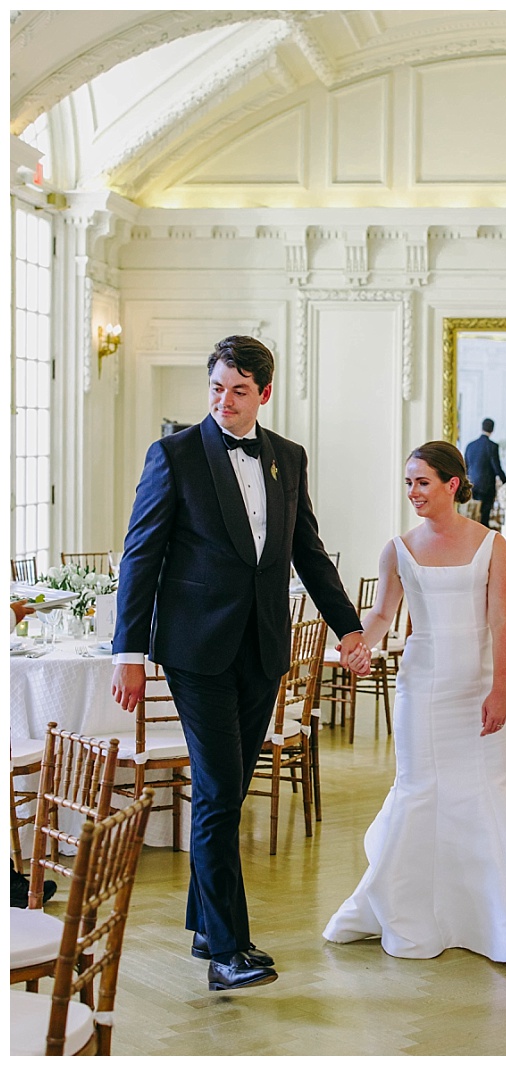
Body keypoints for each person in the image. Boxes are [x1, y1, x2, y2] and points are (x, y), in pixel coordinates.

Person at [111, 335, 370, 992]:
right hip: (195, 651)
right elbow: (140, 556)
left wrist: (350, 628)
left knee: (225, 789)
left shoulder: (286, 458)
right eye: (217, 388)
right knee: (223, 792)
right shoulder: (172, 456)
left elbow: (307, 552)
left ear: (265, 394)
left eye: (239, 391)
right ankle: (228, 951)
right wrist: (130, 652)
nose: (225, 402)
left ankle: (204, 923)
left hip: (261, 648)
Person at [323, 442, 506, 961]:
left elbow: (501, 621)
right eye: (408, 483)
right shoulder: (398, 548)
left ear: (452, 485)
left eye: (423, 482)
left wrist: (501, 689)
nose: (413, 493)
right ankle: (414, 915)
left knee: (486, 792)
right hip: (422, 689)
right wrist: (358, 642)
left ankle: (501, 919)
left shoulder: (492, 545)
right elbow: (383, 615)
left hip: (475, 687)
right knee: (419, 789)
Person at [463, 418, 506, 528]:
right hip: (487, 485)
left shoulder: (470, 445)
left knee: (472, 512)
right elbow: (496, 467)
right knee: (484, 515)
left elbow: (466, 466)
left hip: (472, 484)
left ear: (482, 427)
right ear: (492, 429)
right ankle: (483, 534)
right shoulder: (492, 446)